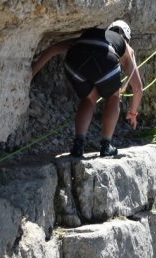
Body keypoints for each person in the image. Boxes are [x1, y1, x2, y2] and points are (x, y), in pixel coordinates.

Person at [30, 20, 143, 157]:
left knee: (89, 99)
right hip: (105, 60)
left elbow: (53, 49)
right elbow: (137, 88)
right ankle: (106, 145)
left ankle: (78, 145)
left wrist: (31, 74)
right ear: (126, 38)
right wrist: (133, 112)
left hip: (75, 60)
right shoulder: (126, 46)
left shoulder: (95, 34)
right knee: (113, 97)